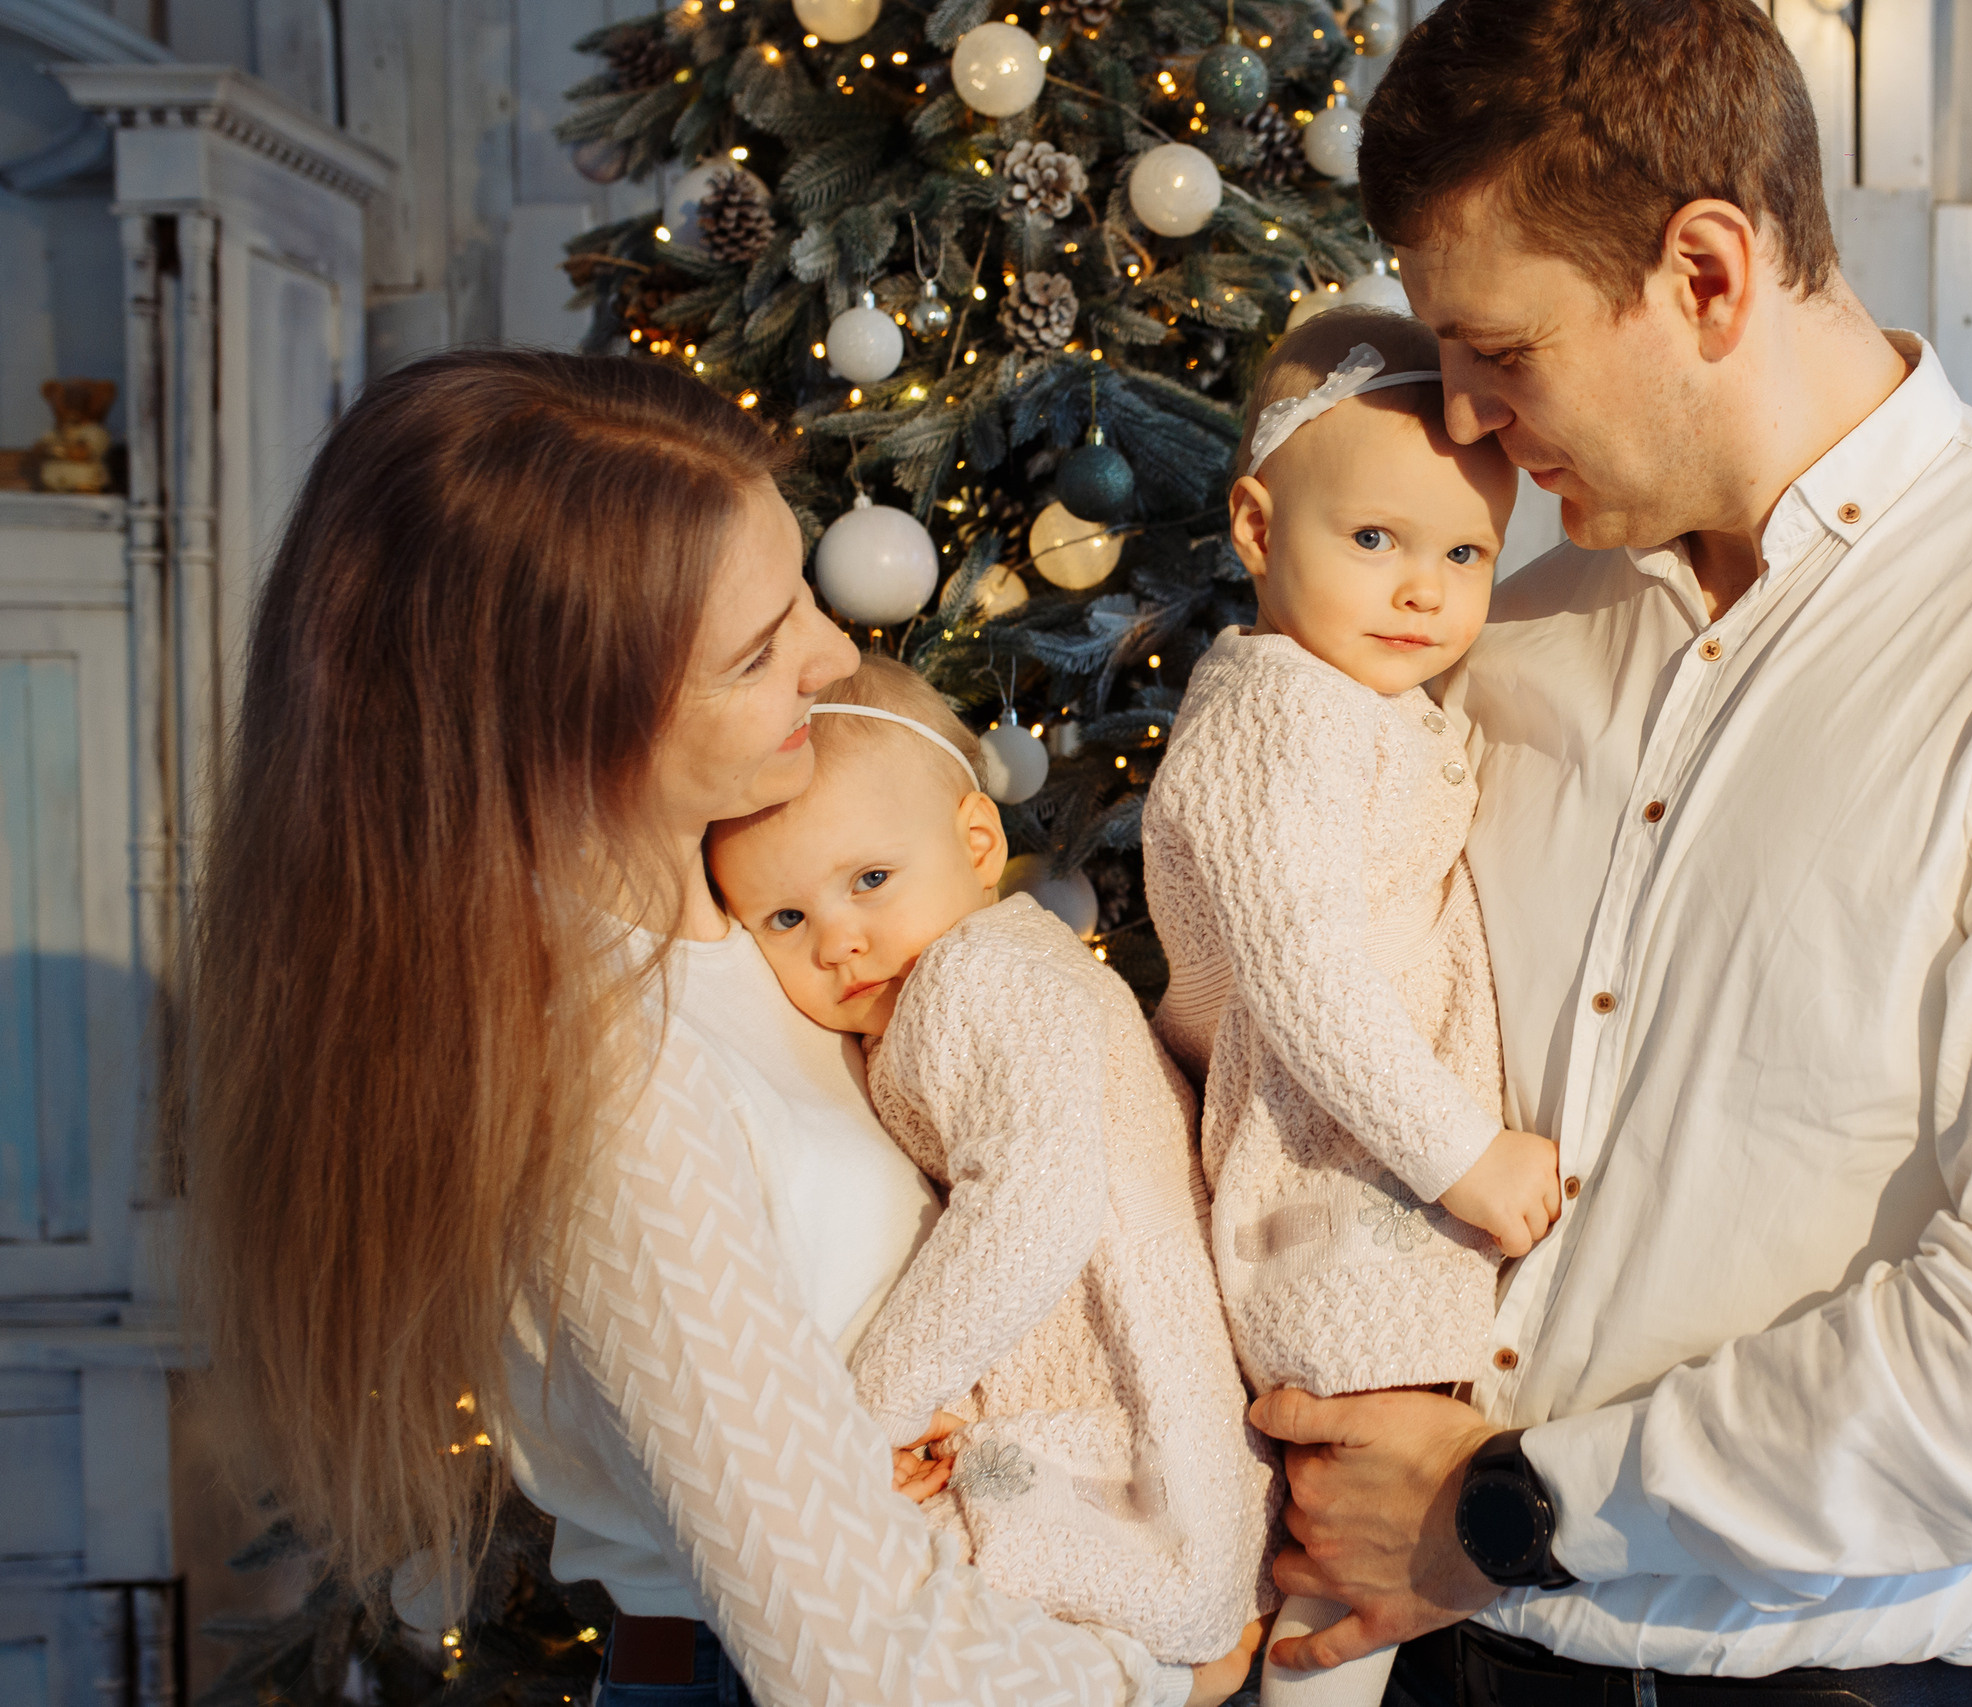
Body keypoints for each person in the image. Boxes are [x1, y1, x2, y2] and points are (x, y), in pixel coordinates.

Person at [1245, 4, 1972, 1706]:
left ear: (1708, 271)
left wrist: (1511, 1508)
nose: (1456, 412)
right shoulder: (1499, 637)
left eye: (1502, 348)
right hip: (1433, 1664)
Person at [181, 349, 1256, 1707]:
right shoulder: (608, 1073)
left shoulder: (749, 900)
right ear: (570, 720)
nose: (831, 654)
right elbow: (855, 1654)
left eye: (801, 591)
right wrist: (1169, 1674)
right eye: (756, 651)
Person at [1143, 307, 1556, 1707]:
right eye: (1374, 539)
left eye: (1464, 553)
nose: (1423, 590)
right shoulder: (1280, 715)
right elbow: (1302, 970)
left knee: (1375, 1528)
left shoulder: (1358, 701)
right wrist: (1465, 1153)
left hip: (1370, 1169)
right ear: (1258, 527)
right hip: (1341, 1177)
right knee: (1346, 1523)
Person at [704, 657, 1275, 1666]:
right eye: (786, 920)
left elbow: (1034, 1207)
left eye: (870, 880)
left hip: (1138, 1399)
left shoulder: (985, 973)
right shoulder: (942, 993)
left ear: (976, 842)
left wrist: (874, 1408)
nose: (841, 941)